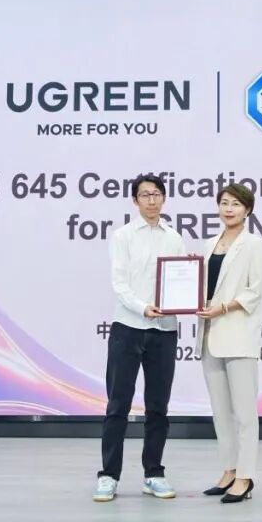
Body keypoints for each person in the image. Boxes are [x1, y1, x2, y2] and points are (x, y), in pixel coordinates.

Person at [93, 173, 186, 502]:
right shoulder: (123, 236)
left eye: (157, 194)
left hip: (164, 331)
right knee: (118, 405)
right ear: (135, 200)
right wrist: (143, 308)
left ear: (164, 198)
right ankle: (109, 475)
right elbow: (119, 284)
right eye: (145, 195)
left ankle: (154, 473)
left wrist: (183, 302)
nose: (152, 200)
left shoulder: (174, 238)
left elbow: (181, 280)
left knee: (158, 407)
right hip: (128, 327)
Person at [195, 183, 262, 504]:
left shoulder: (253, 244)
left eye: (235, 204)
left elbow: (254, 291)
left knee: (244, 413)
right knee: (220, 412)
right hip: (209, 334)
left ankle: (245, 477)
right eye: (224, 203)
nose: (228, 209)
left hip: (237, 335)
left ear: (247, 209)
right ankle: (229, 470)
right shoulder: (209, 243)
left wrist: (222, 307)